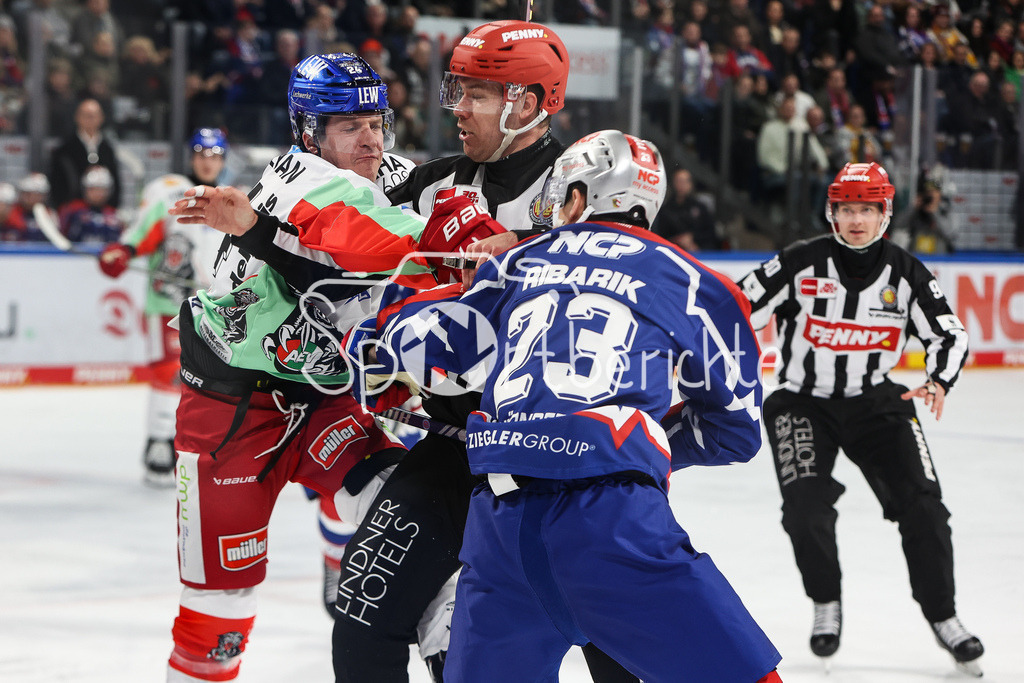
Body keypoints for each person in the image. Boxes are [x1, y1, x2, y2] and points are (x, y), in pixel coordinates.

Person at [352, 130, 783, 683]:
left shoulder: (516, 262)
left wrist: (381, 324)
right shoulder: (696, 281)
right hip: (614, 523)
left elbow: (432, 343)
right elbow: (735, 431)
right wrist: (639, 440)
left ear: (579, 198)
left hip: (499, 530)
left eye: (561, 196)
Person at [324, 20, 640, 683]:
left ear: (525, 104)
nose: (456, 108)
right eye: (456, 90)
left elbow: (625, 296)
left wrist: (513, 250)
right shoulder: (433, 184)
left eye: (474, 94)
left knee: (612, 633)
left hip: (563, 454)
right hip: (455, 442)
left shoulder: (584, 188)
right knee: (362, 613)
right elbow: (336, 225)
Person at [161, 53, 459, 683]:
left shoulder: (375, 170)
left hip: (320, 401)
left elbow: (421, 200)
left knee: (422, 537)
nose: (371, 138)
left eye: (377, 121)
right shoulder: (314, 182)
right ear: (308, 133)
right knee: (218, 614)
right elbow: (417, 252)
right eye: (349, 126)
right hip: (230, 413)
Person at [736, 162, 983, 675]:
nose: (856, 220)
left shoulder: (907, 271)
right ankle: (826, 602)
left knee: (925, 510)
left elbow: (950, 334)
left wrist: (939, 380)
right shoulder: (800, 261)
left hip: (878, 402)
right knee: (804, 510)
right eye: (847, 209)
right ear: (832, 213)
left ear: (884, 214)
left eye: (867, 209)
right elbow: (737, 306)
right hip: (803, 402)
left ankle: (945, 617)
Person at [97, 128, 228, 486]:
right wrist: (123, 251)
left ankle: (196, 446)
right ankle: (159, 443)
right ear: (191, 156)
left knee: (213, 378)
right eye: (202, 152)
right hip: (170, 302)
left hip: (216, 305)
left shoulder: (233, 200)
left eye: (215, 154)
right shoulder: (168, 191)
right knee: (169, 370)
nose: (207, 160)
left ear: (224, 160)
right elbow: (143, 233)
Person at [47, 97, 122, 209]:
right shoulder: (65, 149)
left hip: (104, 212)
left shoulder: (108, 149)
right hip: (73, 210)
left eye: (94, 115)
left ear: (101, 118)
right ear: (77, 117)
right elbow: (57, 184)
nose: (90, 119)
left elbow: (115, 183)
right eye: (86, 115)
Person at [57, 165, 121, 244]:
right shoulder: (72, 210)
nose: (98, 193)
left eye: (102, 189)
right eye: (93, 189)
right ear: (85, 189)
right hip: (74, 254)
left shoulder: (115, 215)